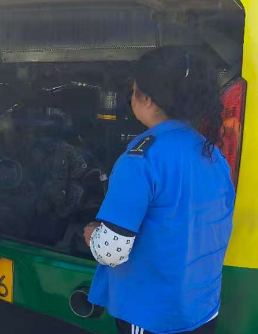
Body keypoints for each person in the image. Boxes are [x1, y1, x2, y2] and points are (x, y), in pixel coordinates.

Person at [83, 47, 235, 334]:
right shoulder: (212, 154)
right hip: (202, 308)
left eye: (134, 90)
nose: (131, 97)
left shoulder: (141, 158)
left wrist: (91, 234)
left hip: (153, 315)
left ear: (147, 99)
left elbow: (111, 251)